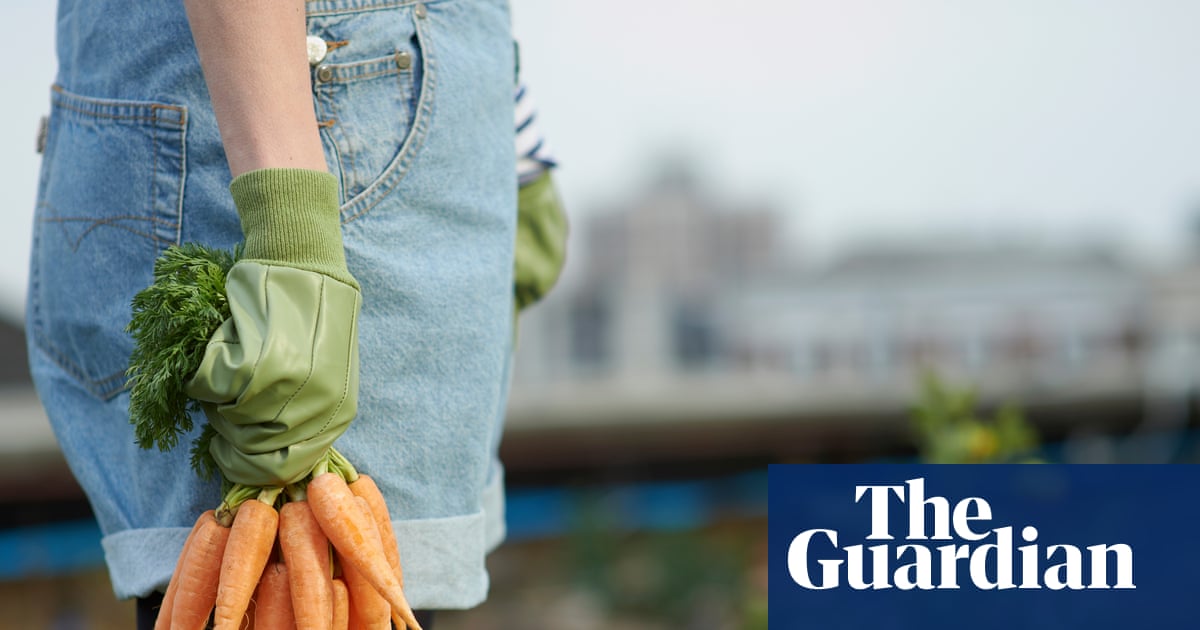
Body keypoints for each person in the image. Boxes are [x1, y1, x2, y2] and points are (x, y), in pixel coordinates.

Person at [26, 0, 562, 626]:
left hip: (405, 140)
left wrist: (517, 149)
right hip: (285, 133)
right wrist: (289, 232)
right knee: (256, 584)